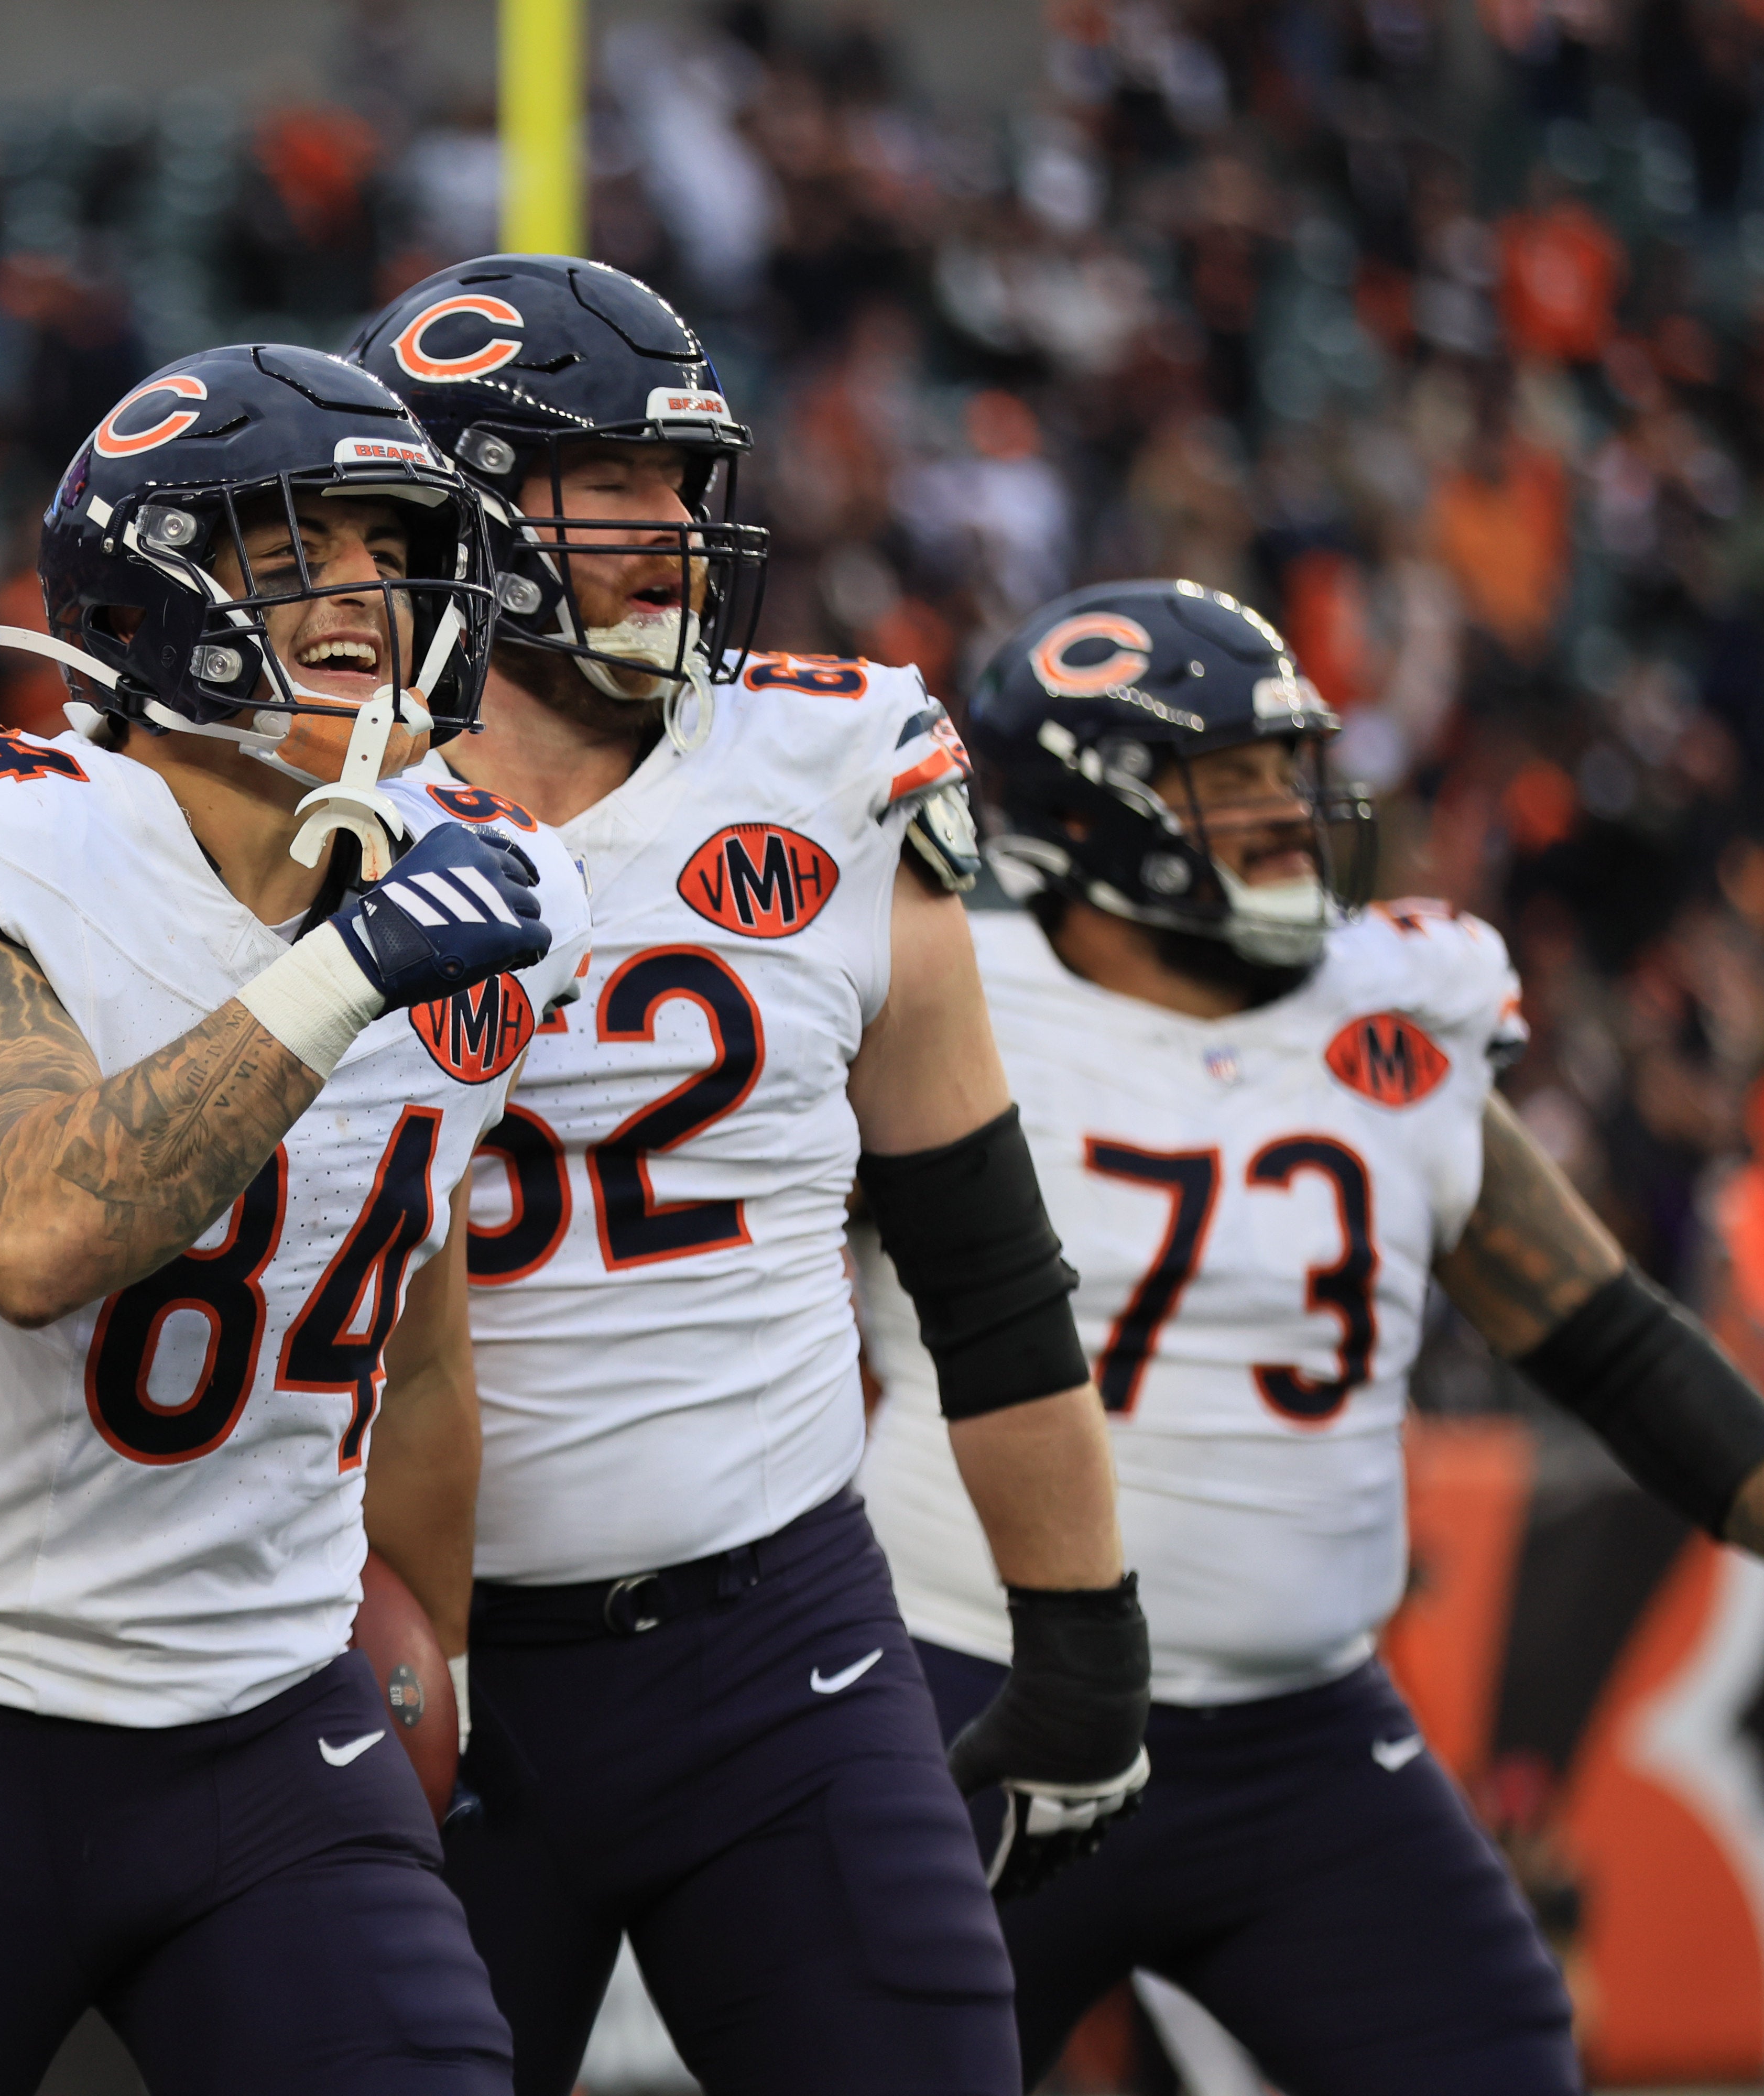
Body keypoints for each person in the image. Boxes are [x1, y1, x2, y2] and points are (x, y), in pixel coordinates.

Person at [0, 342, 590, 2094]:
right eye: (298, 557)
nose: (366, 599)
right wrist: (345, 973)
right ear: (149, 596)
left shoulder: (492, 875)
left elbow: (415, 1342)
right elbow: (33, 1232)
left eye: (389, 555)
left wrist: (428, 1646)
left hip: (279, 1732)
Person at [353, 256, 1146, 2096]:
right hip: (399, 1639)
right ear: (449, 499)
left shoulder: (829, 766)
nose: (670, 528)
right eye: (608, 482)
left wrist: (1084, 1636)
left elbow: (987, 1271)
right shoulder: (290, 796)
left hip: (772, 1629)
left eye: (682, 479)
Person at [858, 577, 1764, 2095]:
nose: (1289, 815)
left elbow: (1602, 1337)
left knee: (1496, 2056)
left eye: (1291, 770)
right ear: (1086, 818)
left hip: (1305, 1734)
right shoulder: (940, 992)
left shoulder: (1396, 1015)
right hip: (971, 1698)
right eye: (1229, 782)